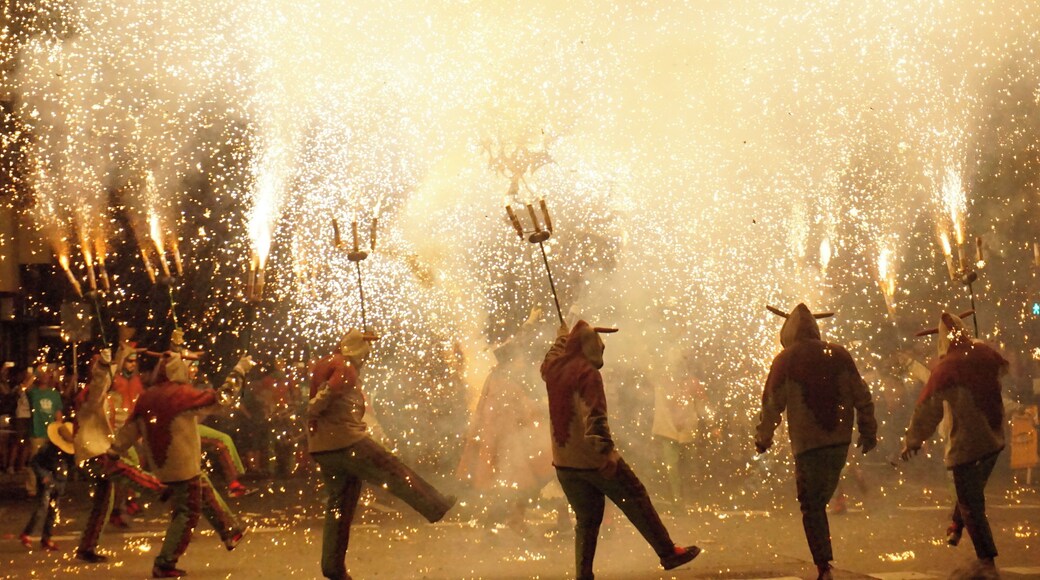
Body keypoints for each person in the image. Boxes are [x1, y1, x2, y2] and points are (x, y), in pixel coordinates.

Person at [541, 320, 699, 580]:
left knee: (587, 520)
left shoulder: (553, 369)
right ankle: (668, 553)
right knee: (635, 497)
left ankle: (584, 575)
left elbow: (552, 357)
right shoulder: (587, 373)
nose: (601, 351)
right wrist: (607, 453)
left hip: (565, 463)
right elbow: (595, 418)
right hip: (593, 461)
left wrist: (561, 338)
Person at [307, 328, 455, 580]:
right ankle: (435, 505)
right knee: (393, 470)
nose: (368, 356)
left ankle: (333, 568)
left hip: (323, 447)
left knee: (339, 508)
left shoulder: (329, 362)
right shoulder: (345, 366)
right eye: (366, 351)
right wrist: (314, 411)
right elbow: (322, 399)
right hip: (347, 442)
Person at [754, 304, 877, 580]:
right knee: (820, 498)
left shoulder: (785, 360)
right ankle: (824, 562)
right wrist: (869, 431)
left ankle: (823, 567)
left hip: (808, 445)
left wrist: (763, 438)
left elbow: (772, 405)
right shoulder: (839, 354)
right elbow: (862, 395)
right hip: (839, 442)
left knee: (811, 504)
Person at [110, 350, 253, 578]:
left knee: (201, 489)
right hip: (183, 468)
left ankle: (231, 530)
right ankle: (165, 563)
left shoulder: (146, 397)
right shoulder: (182, 395)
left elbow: (130, 430)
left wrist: (113, 449)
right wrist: (240, 370)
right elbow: (223, 397)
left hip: (161, 468)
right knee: (186, 514)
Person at [901, 311, 1009, 572]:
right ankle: (955, 526)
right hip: (994, 441)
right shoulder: (986, 355)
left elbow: (928, 410)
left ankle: (986, 560)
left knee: (970, 503)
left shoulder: (947, 369)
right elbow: (1000, 371)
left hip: (966, 446)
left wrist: (912, 441)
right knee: (969, 493)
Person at [74, 345, 166, 563]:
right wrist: (103, 367)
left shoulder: (106, 399)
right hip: (93, 453)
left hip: (100, 450)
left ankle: (87, 548)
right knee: (124, 469)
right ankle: (160, 489)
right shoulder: (90, 395)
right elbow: (99, 385)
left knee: (103, 504)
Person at [456, 339, 553, 534]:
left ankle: (501, 522)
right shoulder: (505, 384)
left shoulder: (495, 379)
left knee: (506, 484)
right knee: (515, 484)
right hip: (506, 442)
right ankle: (508, 521)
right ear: (511, 360)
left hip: (498, 440)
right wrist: (542, 408)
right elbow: (522, 411)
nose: (521, 361)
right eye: (518, 358)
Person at [19, 419, 74, 551]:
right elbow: (34, 462)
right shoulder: (48, 449)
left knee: (53, 512)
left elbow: (70, 466)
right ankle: (27, 533)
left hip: (59, 482)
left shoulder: (69, 453)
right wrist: (43, 475)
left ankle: (46, 539)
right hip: (47, 481)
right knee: (42, 508)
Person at [25, 364, 63, 495]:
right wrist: (37, 371)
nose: (46, 376)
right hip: (37, 431)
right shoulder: (33, 392)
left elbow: (58, 413)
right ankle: (32, 488)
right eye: (43, 374)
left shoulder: (54, 394)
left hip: (51, 433)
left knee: (50, 461)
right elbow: (24, 388)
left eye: (48, 374)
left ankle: (49, 486)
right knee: (35, 460)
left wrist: (59, 431)